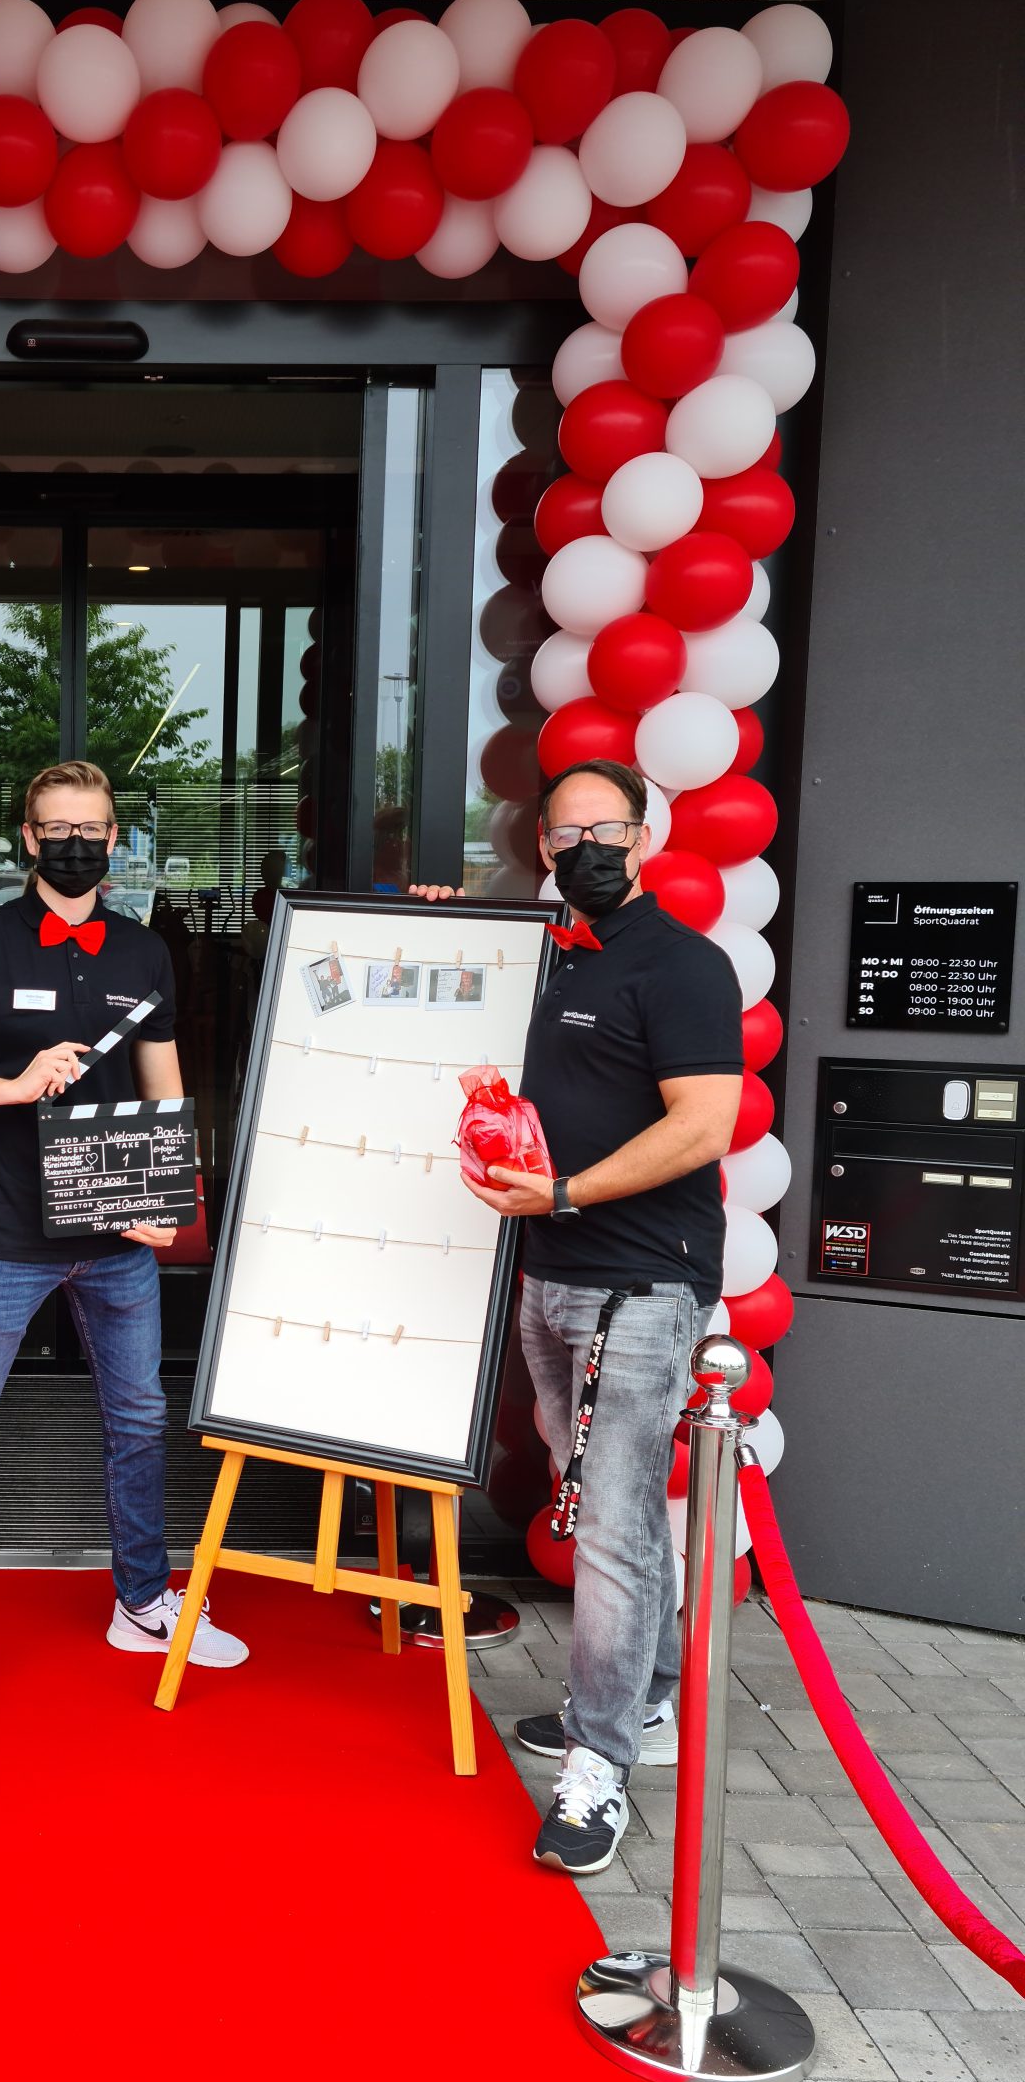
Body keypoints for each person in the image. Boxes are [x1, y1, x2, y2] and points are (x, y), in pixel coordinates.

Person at [0, 760, 249, 1747]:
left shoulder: (144, 950)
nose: (77, 843)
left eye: (94, 828)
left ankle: (142, 1603)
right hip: (6, 1235)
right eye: (59, 828)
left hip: (118, 1237)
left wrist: (170, 1195)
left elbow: (165, 1085)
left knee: (139, 1420)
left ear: (115, 838)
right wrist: (12, 1083)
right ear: (30, 837)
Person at [413, 759, 743, 1874]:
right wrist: (432, 923)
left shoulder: (683, 964)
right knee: (604, 1497)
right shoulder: (549, 957)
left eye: (608, 829)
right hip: (549, 1273)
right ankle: (645, 1696)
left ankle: (599, 1763)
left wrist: (566, 1192)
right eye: (567, 834)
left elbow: (703, 1124)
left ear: (645, 838)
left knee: (606, 1521)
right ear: (544, 849)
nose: (588, 848)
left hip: (641, 1282)